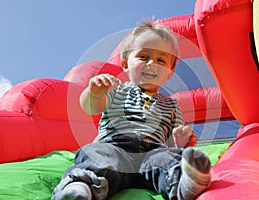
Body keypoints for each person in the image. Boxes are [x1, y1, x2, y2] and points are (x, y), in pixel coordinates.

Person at [52, 21, 211, 200]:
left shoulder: (172, 106)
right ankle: (81, 187)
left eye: (161, 60)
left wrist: (178, 140)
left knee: (169, 159)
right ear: (126, 64)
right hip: (116, 146)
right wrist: (95, 93)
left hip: (153, 152)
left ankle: (183, 182)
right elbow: (90, 107)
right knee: (98, 156)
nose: (152, 63)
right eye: (143, 56)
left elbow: (172, 139)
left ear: (169, 72)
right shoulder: (117, 89)